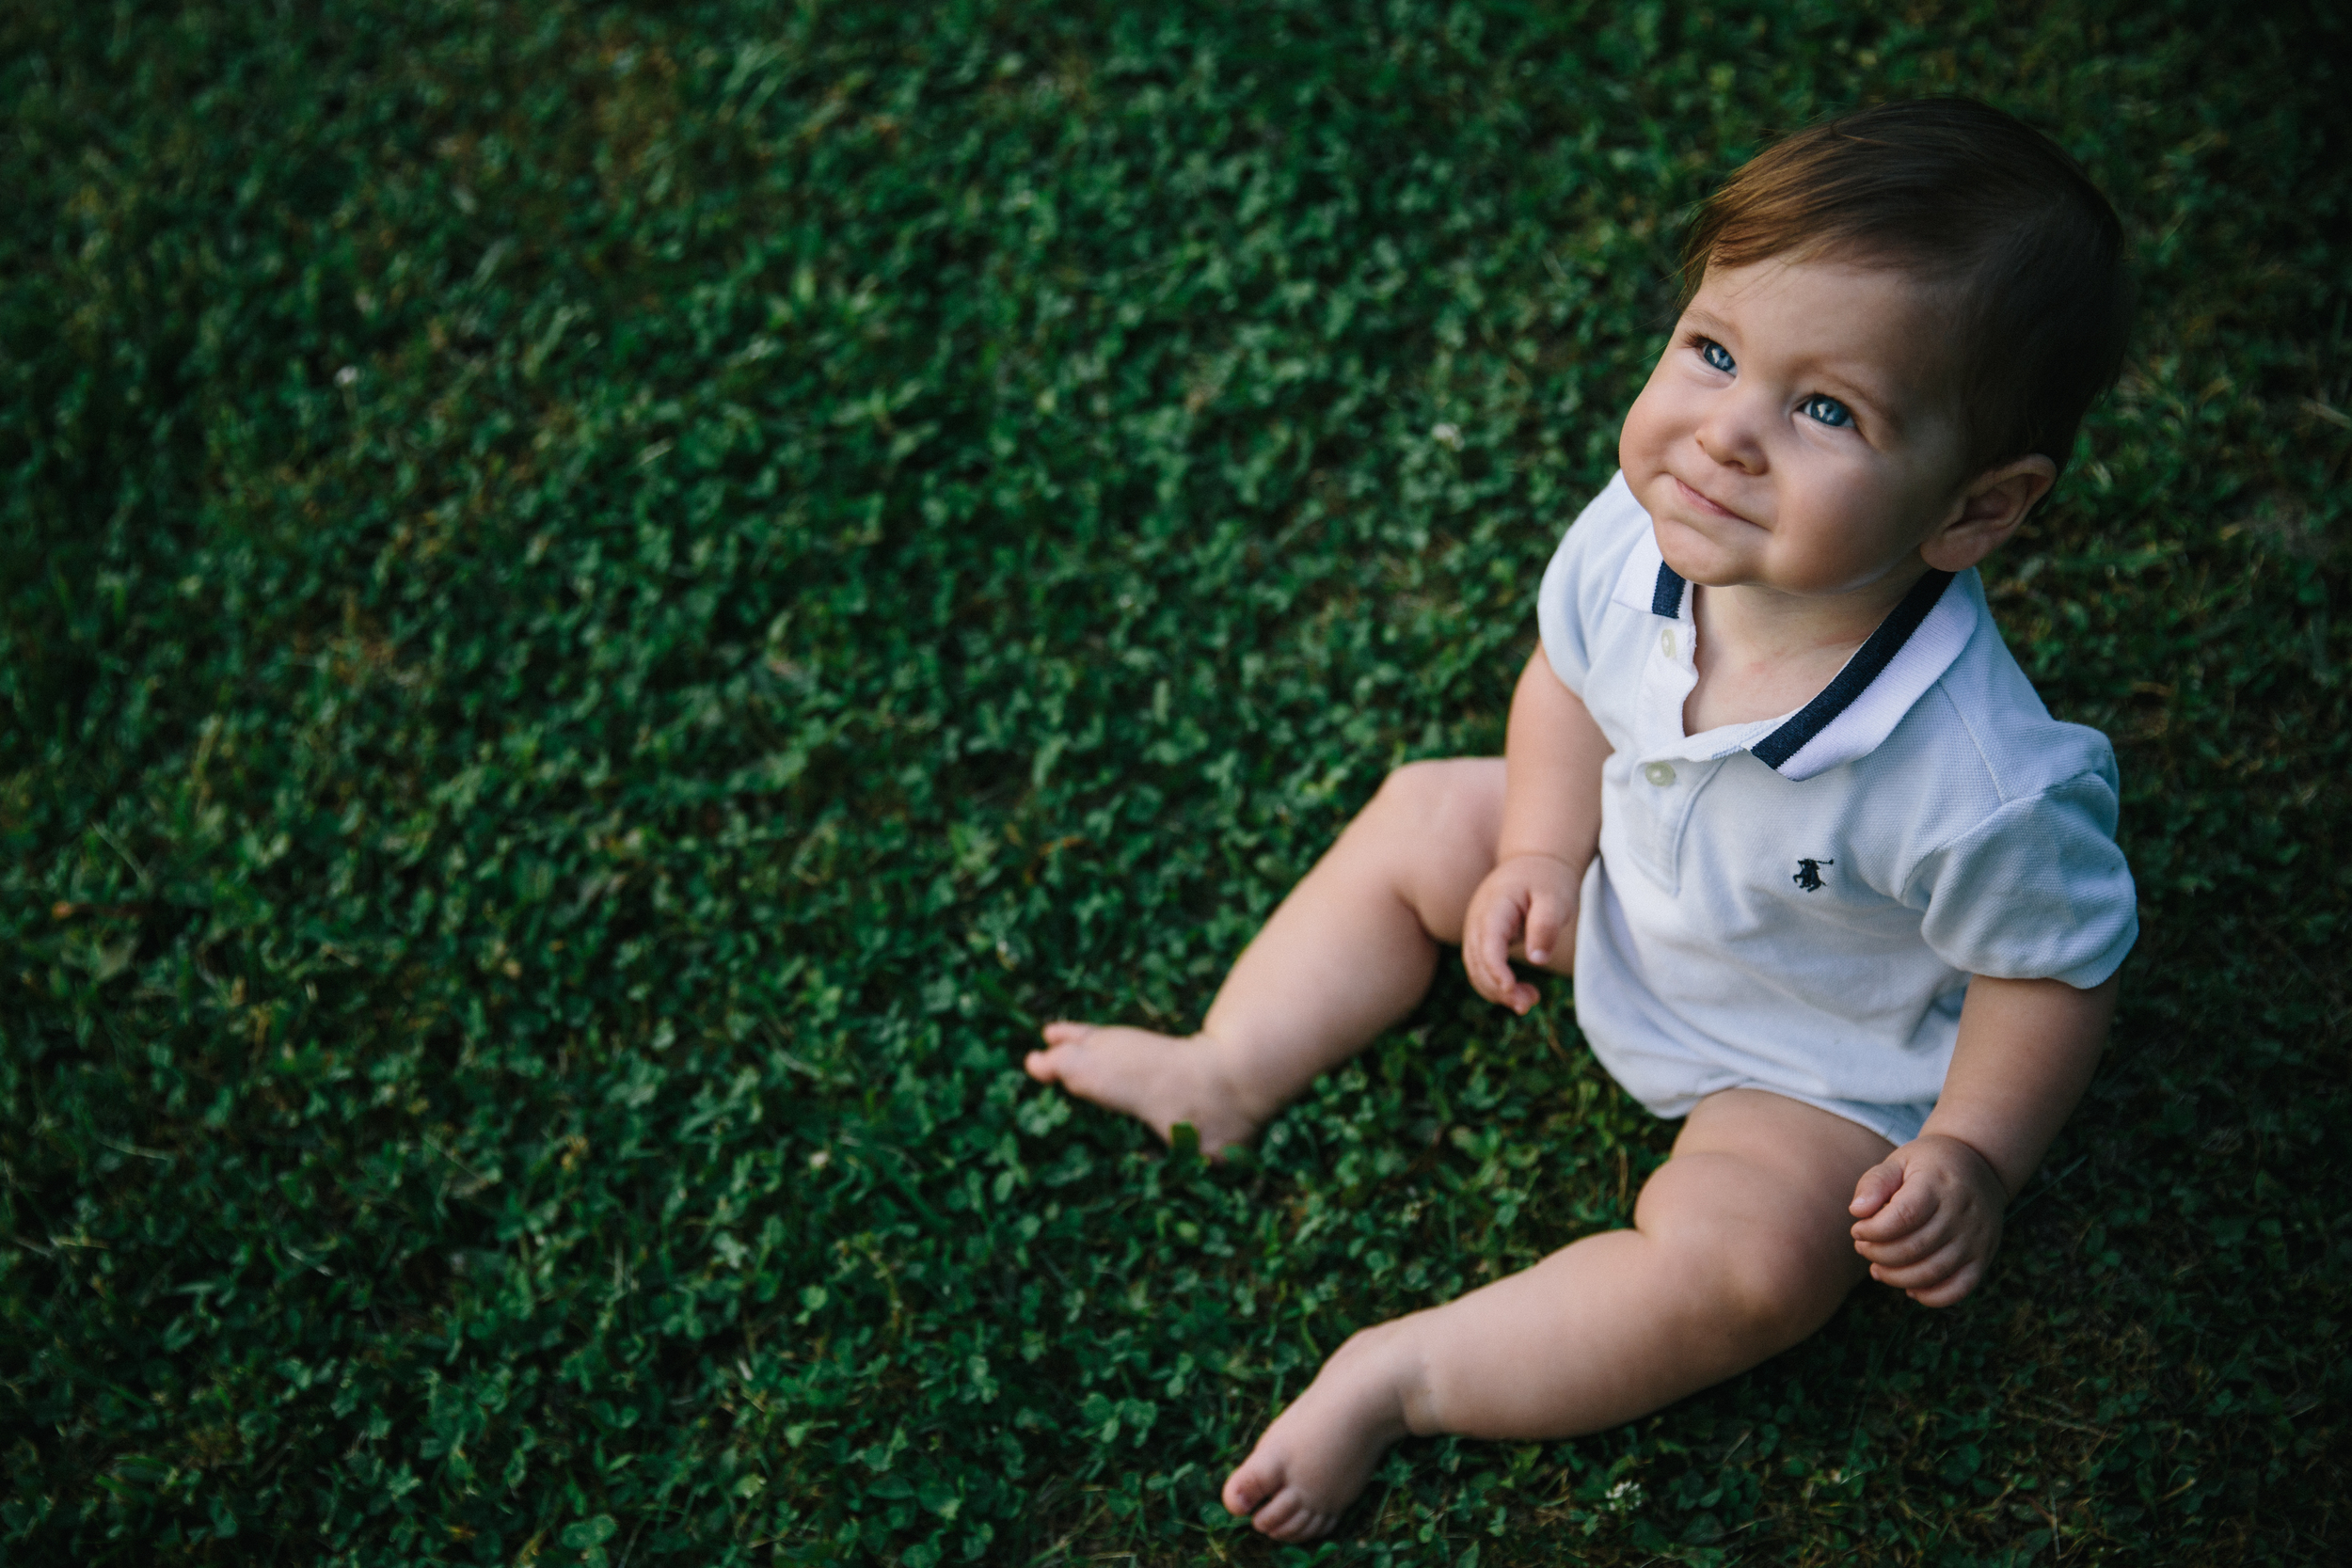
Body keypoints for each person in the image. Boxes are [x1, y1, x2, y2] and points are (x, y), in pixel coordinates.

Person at [1025, 97, 2139, 1543]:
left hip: (1806, 1062)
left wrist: (1976, 1153)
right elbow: (1564, 685)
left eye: (1826, 410)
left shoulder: (1981, 780)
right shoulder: (1645, 537)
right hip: (1633, 883)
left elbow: (2052, 967)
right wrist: (1544, 848)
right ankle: (1227, 1069)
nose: (1724, 434)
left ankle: (1403, 1372)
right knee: (1433, 810)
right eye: (1713, 351)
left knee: (1759, 1268)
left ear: (1978, 509)